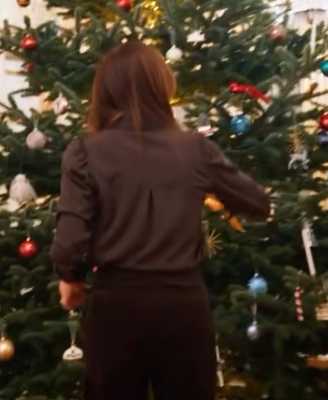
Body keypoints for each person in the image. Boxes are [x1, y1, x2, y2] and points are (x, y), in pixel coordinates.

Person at [49, 40, 270, 400]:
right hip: (182, 307)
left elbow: (70, 239)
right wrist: (217, 198)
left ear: (106, 90)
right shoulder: (196, 149)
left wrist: (70, 280)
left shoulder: (85, 150)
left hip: (115, 307)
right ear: (161, 85)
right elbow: (258, 202)